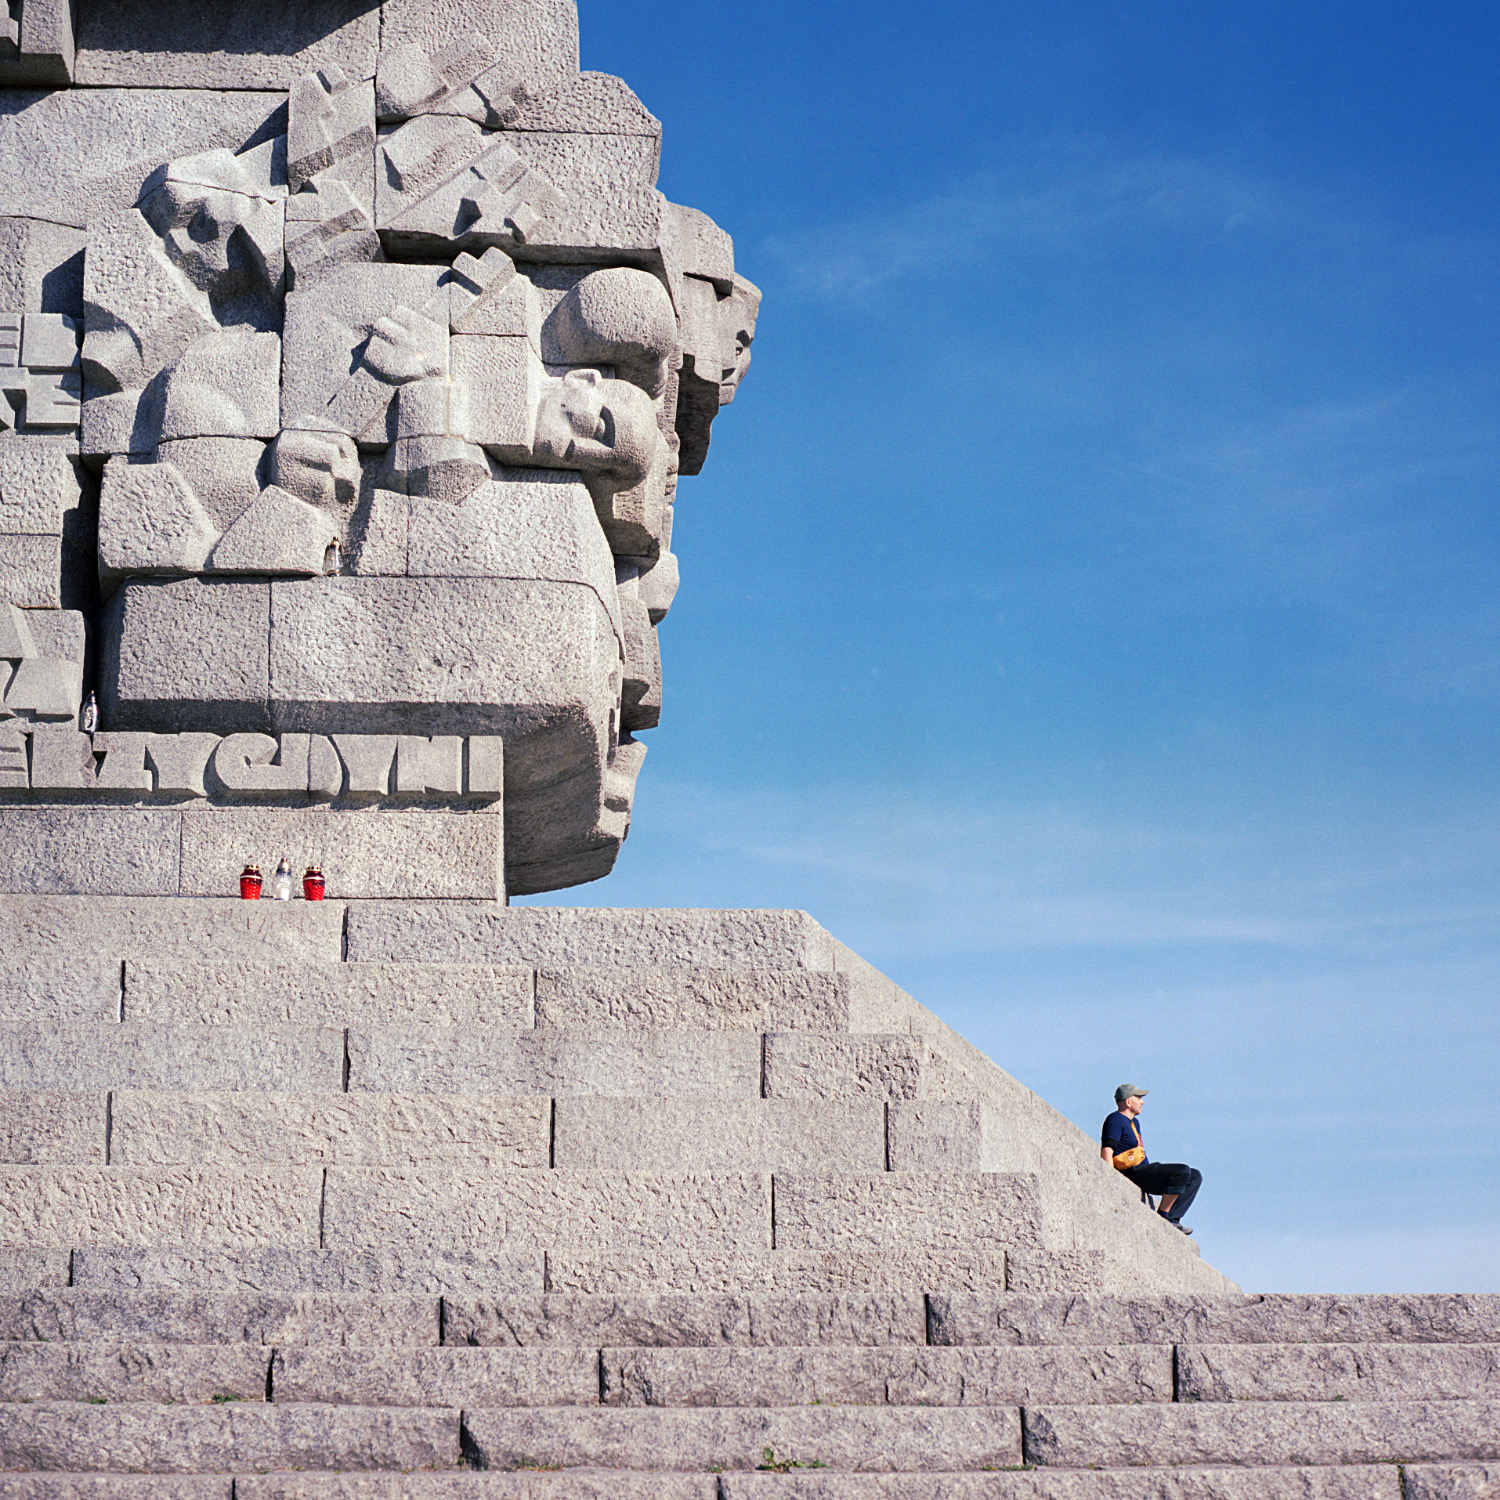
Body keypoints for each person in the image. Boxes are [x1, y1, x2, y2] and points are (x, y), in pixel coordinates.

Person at [1100, 1084, 1202, 1235]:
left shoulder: (1135, 1123)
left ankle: (1172, 1218)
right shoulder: (1115, 1119)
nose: (1142, 1102)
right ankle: (1162, 1215)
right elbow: (1107, 1149)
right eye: (1139, 1098)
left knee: (1194, 1176)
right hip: (1132, 1172)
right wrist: (1108, 1177)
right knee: (1181, 1171)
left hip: (1144, 1172)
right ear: (1128, 1102)